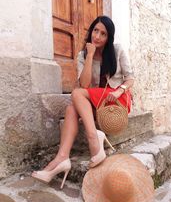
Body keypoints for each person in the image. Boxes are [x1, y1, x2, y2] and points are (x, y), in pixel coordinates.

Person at [31, 16, 134, 189]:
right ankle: (62, 158)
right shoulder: (83, 55)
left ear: (109, 38)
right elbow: (85, 84)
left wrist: (118, 91)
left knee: (77, 94)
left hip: (116, 100)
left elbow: (130, 78)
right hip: (96, 102)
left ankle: (93, 140)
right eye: (95, 31)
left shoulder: (118, 50)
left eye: (103, 34)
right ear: (91, 31)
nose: (98, 36)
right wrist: (90, 55)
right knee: (72, 108)